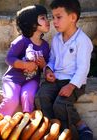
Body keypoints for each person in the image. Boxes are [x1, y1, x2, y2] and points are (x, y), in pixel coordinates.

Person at [35, 0, 93, 139]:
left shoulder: (83, 41)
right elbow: (53, 59)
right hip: (56, 79)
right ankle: (51, 128)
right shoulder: (56, 39)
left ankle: (77, 128)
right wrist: (48, 70)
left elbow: (83, 68)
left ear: (72, 18)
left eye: (58, 17)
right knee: (41, 96)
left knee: (60, 105)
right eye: (53, 17)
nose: (54, 21)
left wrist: (71, 86)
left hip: (74, 82)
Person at [0, 4, 50, 116]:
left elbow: (47, 65)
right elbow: (9, 58)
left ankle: (27, 121)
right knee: (12, 100)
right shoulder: (22, 41)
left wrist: (43, 65)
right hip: (13, 79)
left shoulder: (45, 46)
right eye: (43, 18)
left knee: (28, 96)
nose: (47, 21)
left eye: (46, 17)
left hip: (31, 80)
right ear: (32, 23)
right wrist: (25, 65)